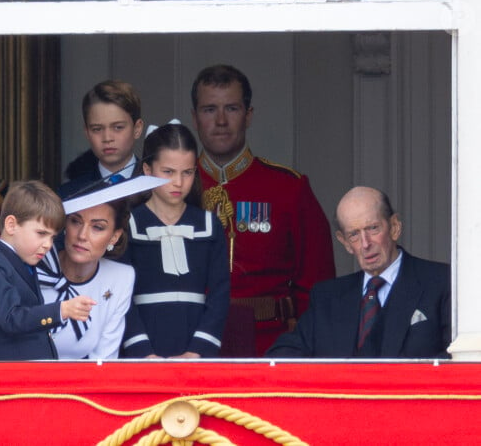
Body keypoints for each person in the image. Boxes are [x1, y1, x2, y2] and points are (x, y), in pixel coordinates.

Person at [191, 64, 335, 356]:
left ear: (248, 115)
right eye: (209, 110)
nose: (220, 120)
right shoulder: (173, 187)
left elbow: (319, 286)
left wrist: (300, 347)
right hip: (191, 340)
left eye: (231, 108)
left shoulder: (288, 188)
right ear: (194, 118)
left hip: (270, 345)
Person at [266, 186, 451, 358]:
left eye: (372, 228)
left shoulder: (442, 282)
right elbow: (283, 355)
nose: (365, 244)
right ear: (344, 242)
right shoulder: (326, 297)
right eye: (353, 234)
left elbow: (462, 359)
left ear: (395, 227)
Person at [121, 122, 230, 359]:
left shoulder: (210, 226)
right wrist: (143, 352)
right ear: (148, 170)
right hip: (144, 350)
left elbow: (219, 296)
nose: (178, 183)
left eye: (187, 172)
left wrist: (197, 351)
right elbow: (120, 297)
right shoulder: (128, 225)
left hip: (197, 351)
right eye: (168, 172)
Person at [36, 176, 166, 360]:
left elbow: (104, 359)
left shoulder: (120, 277)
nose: (82, 235)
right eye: (75, 221)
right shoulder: (37, 265)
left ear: (114, 237)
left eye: (97, 227)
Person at [0, 180, 96, 360]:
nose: (48, 245)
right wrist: (60, 310)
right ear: (11, 225)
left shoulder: (21, 262)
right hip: (11, 379)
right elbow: (11, 319)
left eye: (52, 237)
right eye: (41, 233)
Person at [59, 80, 144, 199]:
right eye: (97, 129)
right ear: (87, 132)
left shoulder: (159, 188)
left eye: (118, 127)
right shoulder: (69, 195)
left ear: (137, 129)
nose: (107, 138)